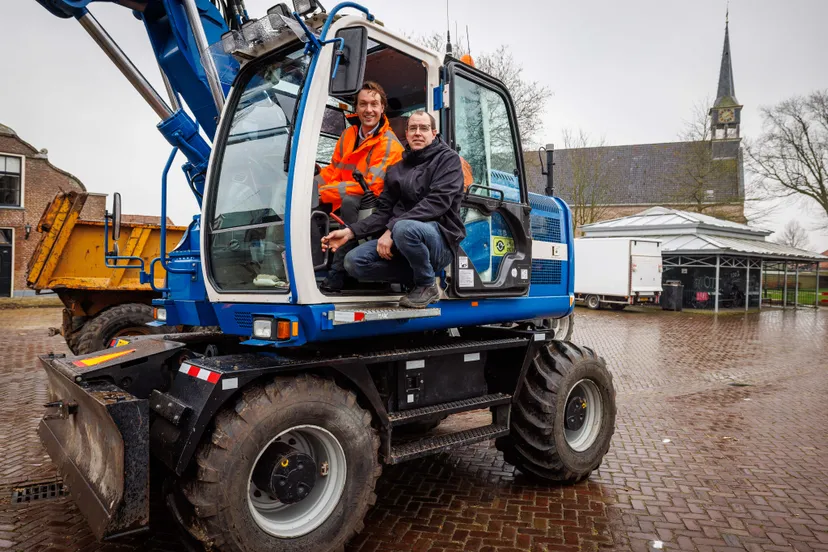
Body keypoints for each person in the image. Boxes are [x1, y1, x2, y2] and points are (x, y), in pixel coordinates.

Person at [321, 111, 466, 308]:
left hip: (439, 241)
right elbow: (383, 213)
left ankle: (426, 284)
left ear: (434, 133)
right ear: (405, 134)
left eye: (423, 128)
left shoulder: (448, 160)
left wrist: (391, 230)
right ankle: (414, 278)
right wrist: (349, 232)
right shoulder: (396, 169)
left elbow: (437, 203)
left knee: (404, 229)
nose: (417, 133)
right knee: (353, 262)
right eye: (412, 128)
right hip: (403, 238)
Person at [316, 81, 404, 292]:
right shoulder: (348, 135)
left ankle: (337, 274)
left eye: (374, 104)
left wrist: (323, 193)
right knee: (304, 202)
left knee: (348, 203)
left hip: (376, 203)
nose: (369, 110)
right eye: (363, 104)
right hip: (342, 193)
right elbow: (333, 169)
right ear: (356, 108)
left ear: (382, 108)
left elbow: (371, 187)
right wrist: (310, 185)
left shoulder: (389, 144)